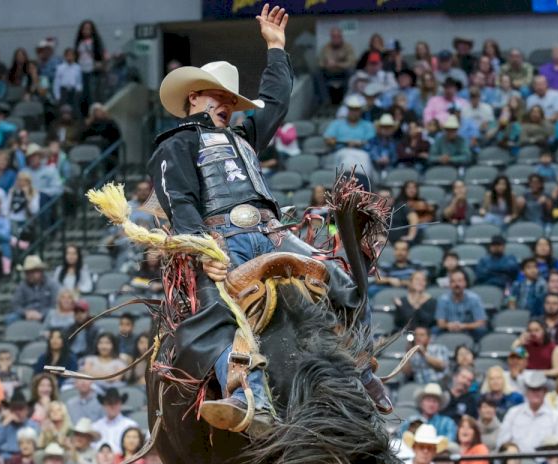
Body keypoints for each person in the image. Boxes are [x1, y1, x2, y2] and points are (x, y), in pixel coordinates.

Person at [150, 7, 389, 433]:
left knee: (345, 282)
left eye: (229, 98)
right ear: (194, 98)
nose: (225, 104)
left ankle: (360, 368)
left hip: (272, 234)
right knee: (211, 320)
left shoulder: (244, 137)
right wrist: (205, 250)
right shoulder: (177, 142)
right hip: (224, 240)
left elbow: (276, 102)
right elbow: (181, 202)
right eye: (217, 96)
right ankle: (248, 395)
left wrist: (276, 48)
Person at [495, 371, 558, 453]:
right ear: (526, 392)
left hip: (544, 462)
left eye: (538, 389)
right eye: (531, 389)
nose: (535, 393)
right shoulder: (513, 413)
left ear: (544, 392)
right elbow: (501, 443)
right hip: (516, 461)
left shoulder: (556, 416)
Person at [435, 269, 487, 341]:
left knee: (481, 331)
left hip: (469, 330)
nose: (457, 284)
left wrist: (464, 326)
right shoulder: (443, 299)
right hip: (448, 329)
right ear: (450, 284)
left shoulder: (474, 298)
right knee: (435, 330)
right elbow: (440, 323)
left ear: (465, 283)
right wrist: (448, 325)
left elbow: (481, 322)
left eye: (459, 281)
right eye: (453, 281)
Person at [7, 255, 59, 323]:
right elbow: (15, 305)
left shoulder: (52, 284)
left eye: (32, 272)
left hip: (46, 314)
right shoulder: (22, 286)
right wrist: (26, 313)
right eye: (27, 272)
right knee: (10, 318)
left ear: (41, 271)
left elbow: (55, 305)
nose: (29, 275)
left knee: (54, 315)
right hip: (27, 314)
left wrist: (42, 314)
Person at [89, 388, 138, 457]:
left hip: (124, 463)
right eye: (109, 403)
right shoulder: (95, 427)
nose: (112, 406)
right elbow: (92, 448)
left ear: (120, 404)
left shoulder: (130, 426)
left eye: (115, 403)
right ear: (104, 405)